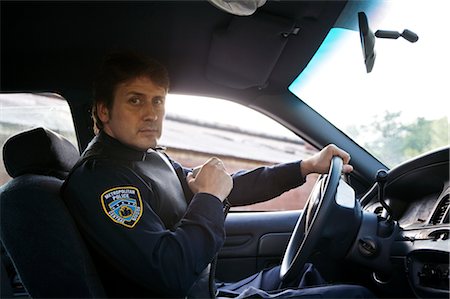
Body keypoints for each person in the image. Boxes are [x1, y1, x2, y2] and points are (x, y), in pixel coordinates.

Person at [62, 51, 374, 298]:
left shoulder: (148, 158)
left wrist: (304, 167)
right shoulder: (101, 180)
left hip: (207, 289)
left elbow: (229, 187)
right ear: (104, 111)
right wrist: (209, 197)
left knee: (311, 274)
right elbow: (169, 273)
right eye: (135, 100)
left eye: (158, 100)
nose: (151, 113)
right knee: (356, 295)